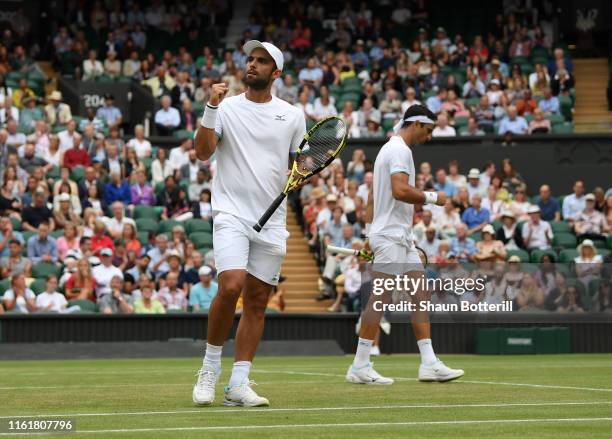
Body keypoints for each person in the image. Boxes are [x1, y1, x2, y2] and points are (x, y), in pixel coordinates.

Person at [192, 40, 305, 407]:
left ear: (276, 73)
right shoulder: (224, 109)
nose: (252, 64)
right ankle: (209, 370)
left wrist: (300, 174)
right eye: (250, 59)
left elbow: (299, 163)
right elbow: (203, 151)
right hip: (231, 212)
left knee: (257, 301)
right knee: (231, 286)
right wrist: (211, 107)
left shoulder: (292, 115)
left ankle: (238, 384)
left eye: (262, 61)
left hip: (272, 221)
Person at [346, 104, 463, 385]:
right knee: (381, 298)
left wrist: (368, 234)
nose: (430, 136)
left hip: (395, 235)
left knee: (420, 293)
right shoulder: (399, 150)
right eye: (429, 130)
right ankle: (360, 365)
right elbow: (400, 191)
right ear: (416, 124)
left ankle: (429, 363)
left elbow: (375, 199)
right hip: (391, 236)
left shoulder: (390, 148)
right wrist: (435, 198)